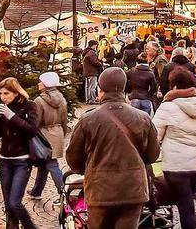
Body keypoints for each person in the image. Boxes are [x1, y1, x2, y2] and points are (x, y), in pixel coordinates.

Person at [66, 67, 160, 228]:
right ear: (123, 88)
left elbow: (74, 159)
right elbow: (152, 156)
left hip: (100, 190)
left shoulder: (88, 119)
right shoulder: (143, 118)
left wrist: (89, 169)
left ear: (100, 89)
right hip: (133, 189)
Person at [152, 69, 196, 229]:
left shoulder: (167, 107)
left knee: (186, 207)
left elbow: (153, 137)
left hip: (175, 167)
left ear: (175, 87)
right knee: (185, 202)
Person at [0, 78, 40, 229]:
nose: (2, 97)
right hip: (4, 160)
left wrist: (11, 116)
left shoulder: (29, 106)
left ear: (16, 93)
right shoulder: (2, 108)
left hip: (22, 160)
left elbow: (32, 130)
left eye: (6, 93)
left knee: (14, 202)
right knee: (9, 207)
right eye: (1, 94)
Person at [28, 72, 69, 201]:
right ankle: (36, 191)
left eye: (40, 81)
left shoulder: (39, 101)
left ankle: (64, 193)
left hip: (44, 134)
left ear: (45, 84)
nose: (38, 83)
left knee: (51, 164)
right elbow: (64, 119)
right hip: (57, 132)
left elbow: (36, 121)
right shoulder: (61, 99)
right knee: (44, 163)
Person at [82, 40, 103, 104]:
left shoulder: (86, 52)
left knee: (87, 87)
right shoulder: (91, 52)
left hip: (87, 71)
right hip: (92, 71)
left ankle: (88, 99)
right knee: (92, 86)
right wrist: (101, 63)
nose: (96, 46)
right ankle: (92, 100)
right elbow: (94, 62)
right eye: (96, 45)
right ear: (93, 45)